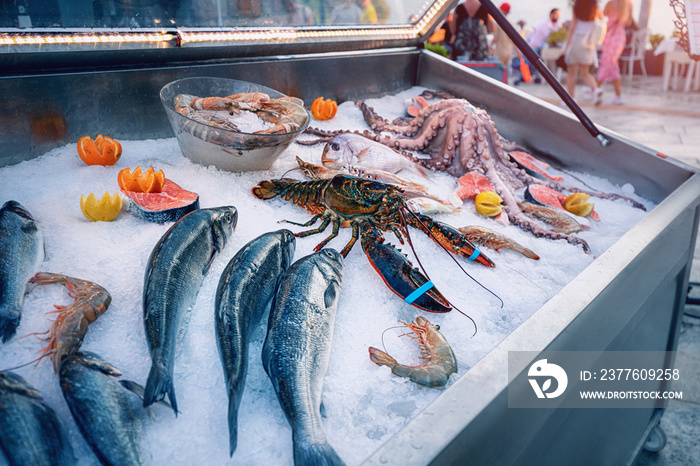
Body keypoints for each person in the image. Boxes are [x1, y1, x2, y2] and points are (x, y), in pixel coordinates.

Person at [562, 0, 603, 105]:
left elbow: (572, 28)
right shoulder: (596, 8)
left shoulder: (577, 8)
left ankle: (571, 99)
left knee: (571, 73)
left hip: (577, 41)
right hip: (589, 43)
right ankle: (595, 89)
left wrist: (566, 47)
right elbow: (602, 23)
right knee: (585, 73)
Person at [597, 0, 634, 105]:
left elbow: (601, 17)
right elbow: (629, 22)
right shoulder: (629, 4)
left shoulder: (611, 3)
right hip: (620, 36)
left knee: (608, 63)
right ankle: (618, 96)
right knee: (613, 65)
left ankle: (595, 88)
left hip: (610, 35)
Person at [526, 8, 561, 83]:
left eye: (558, 15)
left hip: (543, 48)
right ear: (551, 14)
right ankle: (551, 77)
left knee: (554, 54)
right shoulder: (545, 24)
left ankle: (551, 75)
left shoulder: (554, 24)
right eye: (556, 14)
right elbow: (550, 39)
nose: (557, 16)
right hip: (535, 48)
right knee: (552, 55)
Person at [491, 2, 517, 67]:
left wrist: (489, 47)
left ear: (502, 11)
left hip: (500, 51)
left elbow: (495, 39)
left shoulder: (498, 23)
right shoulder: (511, 23)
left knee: (497, 72)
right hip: (509, 51)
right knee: (505, 73)